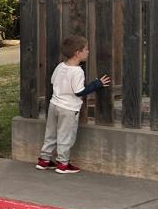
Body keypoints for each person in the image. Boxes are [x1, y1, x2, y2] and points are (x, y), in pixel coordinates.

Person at [38, 36, 111, 174]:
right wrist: (97, 84)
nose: (88, 51)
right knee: (65, 136)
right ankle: (63, 164)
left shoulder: (60, 66)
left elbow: (53, 82)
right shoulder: (77, 71)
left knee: (50, 134)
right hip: (68, 109)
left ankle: (44, 160)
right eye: (86, 49)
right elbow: (79, 92)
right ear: (78, 53)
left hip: (54, 105)